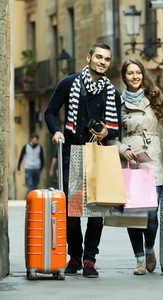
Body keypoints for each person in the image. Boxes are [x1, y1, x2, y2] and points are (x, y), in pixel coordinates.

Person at [44, 43, 122, 278]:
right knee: (73, 211)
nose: (102, 62)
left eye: (107, 59)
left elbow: (117, 128)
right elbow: (50, 111)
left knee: (98, 209)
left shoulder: (112, 92)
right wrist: (56, 131)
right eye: (98, 57)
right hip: (72, 151)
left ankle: (90, 259)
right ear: (89, 58)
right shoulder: (69, 83)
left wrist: (107, 132)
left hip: (99, 153)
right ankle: (75, 257)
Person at [118, 58, 163, 275]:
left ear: (143, 74)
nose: (135, 77)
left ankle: (149, 248)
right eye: (130, 73)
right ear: (124, 77)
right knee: (134, 214)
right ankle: (140, 260)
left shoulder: (154, 95)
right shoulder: (119, 102)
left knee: (151, 216)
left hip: (151, 160)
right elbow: (114, 136)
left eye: (138, 72)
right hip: (130, 162)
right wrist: (123, 150)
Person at [17, 133, 44, 197]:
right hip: (28, 168)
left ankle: (35, 201)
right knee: (29, 185)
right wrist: (18, 168)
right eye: (35, 140)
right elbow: (21, 158)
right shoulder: (25, 147)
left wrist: (41, 169)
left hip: (37, 169)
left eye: (37, 140)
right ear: (31, 139)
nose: (36, 141)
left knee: (35, 186)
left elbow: (42, 159)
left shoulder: (40, 147)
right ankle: (29, 201)